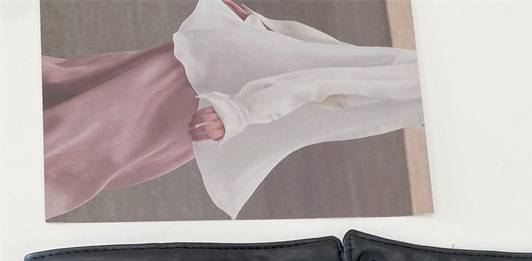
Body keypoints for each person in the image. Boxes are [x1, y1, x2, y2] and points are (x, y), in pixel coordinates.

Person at [42, 0, 424, 220]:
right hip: (215, 88)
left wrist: (260, 27)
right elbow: (329, 81)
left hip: (223, 72)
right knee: (77, 148)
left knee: (75, 91)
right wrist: (239, 112)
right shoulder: (440, 89)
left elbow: (342, 59)